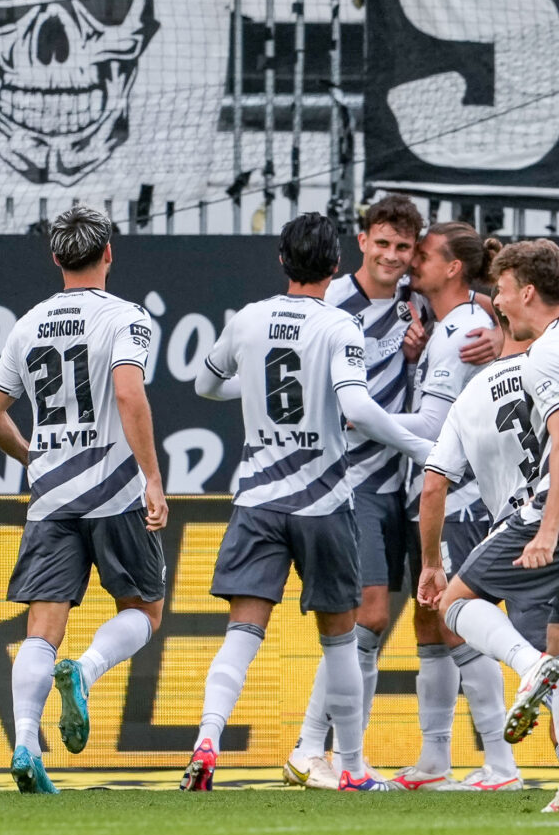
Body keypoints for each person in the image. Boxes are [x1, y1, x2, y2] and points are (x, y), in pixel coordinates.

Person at [181, 213, 432, 792]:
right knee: (341, 640)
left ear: (281, 260)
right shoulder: (338, 325)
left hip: (259, 502)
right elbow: (359, 408)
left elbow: (206, 385)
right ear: (337, 263)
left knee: (242, 634)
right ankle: (352, 768)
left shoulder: (248, 318)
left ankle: (207, 740)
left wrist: (256, 389)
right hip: (322, 504)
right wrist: (425, 448)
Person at [420, 239, 559, 813]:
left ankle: (527, 666)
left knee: (454, 602)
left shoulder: (548, 352)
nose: (496, 302)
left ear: (527, 290)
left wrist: (548, 530)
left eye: (501, 290)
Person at [288, 198, 503, 784]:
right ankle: (315, 748)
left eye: (405, 248)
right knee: (370, 614)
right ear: (361, 242)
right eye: (382, 243)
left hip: (407, 485)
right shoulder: (330, 301)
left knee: (433, 621)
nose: (392, 256)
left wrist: (501, 333)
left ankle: (427, 760)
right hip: (349, 479)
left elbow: (484, 299)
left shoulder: (421, 302)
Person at [0, 206, 168, 794]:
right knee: (144, 611)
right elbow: (128, 393)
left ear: (56, 257)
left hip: (52, 498)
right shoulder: (126, 317)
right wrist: (152, 477)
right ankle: (84, 672)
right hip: (114, 492)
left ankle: (25, 745)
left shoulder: (28, 324)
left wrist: (34, 458)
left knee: (41, 629)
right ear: (108, 252)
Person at [378, 223, 523, 792]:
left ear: (453, 268)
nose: (412, 262)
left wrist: (355, 416)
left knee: (458, 624)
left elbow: (434, 427)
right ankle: (434, 760)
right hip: (433, 499)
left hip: (461, 500)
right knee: (431, 624)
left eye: (424, 255)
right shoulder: (450, 321)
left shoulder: (461, 329)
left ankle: (502, 765)